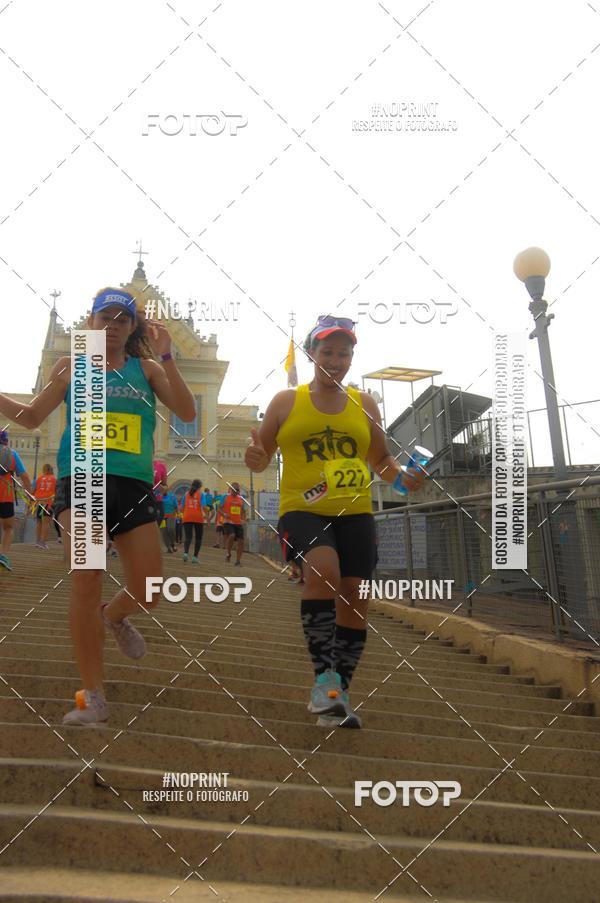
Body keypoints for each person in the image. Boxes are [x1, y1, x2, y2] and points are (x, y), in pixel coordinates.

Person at [0, 287, 196, 724]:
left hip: (132, 485)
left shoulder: (146, 369)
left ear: (132, 328)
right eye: (104, 319)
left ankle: (116, 615)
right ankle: (93, 695)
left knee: (149, 590)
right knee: (87, 575)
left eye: (121, 320)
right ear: (90, 323)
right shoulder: (72, 366)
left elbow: (185, 411)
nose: (111, 328)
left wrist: (167, 357)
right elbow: (31, 417)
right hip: (83, 483)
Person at [244, 316, 425, 730]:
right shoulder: (287, 401)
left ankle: (334, 694)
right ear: (312, 354)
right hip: (302, 509)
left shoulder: (366, 404)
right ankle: (323, 676)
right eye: (327, 351)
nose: (336, 360)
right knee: (323, 570)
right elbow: (262, 452)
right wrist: (255, 458)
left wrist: (404, 479)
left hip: (355, 511)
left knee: (356, 596)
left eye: (344, 353)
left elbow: (380, 460)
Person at [0, 430, 33, 571]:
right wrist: (29, 495)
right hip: (6, 497)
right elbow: (24, 476)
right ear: (6, 441)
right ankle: (3, 555)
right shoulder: (12, 454)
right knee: (8, 528)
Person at [33, 463, 57, 550]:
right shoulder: (54, 479)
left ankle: (37, 541)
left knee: (39, 522)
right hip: (48, 503)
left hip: (39, 502)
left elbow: (34, 490)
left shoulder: (39, 478)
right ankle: (42, 543)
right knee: (46, 523)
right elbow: (57, 492)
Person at [221, 482, 246, 566]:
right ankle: (228, 553)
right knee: (231, 535)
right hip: (228, 522)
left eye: (237, 490)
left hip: (238, 523)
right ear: (231, 489)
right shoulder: (225, 497)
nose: (236, 491)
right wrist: (224, 514)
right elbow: (219, 508)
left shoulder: (241, 499)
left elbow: (243, 510)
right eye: (234, 490)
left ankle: (238, 561)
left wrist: (243, 519)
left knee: (241, 541)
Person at [182, 479, 206, 563]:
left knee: (188, 537)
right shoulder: (201, 494)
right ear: (199, 487)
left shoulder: (186, 494)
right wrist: (205, 514)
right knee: (198, 538)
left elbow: (182, 507)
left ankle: (185, 553)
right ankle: (195, 557)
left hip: (187, 517)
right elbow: (204, 506)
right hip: (198, 517)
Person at [160, 482, 179, 553]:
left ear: (167, 489)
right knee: (164, 533)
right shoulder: (158, 497)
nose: (163, 490)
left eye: (164, 488)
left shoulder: (172, 496)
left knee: (170, 530)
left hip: (171, 516)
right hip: (161, 518)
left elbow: (176, 506)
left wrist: (178, 513)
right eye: (162, 489)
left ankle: (172, 544)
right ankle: (168, 547)